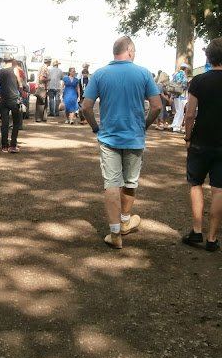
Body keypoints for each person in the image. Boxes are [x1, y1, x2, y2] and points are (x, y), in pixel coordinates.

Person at [81, 36, 161, 249]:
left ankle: (115, 233)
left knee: (112, 183)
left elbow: (86, 107)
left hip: (109, 137)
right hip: (134, 136)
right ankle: (125, 221)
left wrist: (95, 127)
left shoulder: (100, 74)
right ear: (130, 51)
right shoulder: (144, 73)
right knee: (130, 182)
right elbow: (157, 106)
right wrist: (145, 126)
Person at [182, 37, 222, 252]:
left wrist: (188, 137)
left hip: (200, 141)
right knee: (218, 190)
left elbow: (190, 114)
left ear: (208, 57)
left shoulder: (198, 81)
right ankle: (212, 238)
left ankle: (196, 231)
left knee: (196, 185)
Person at [0, 53, 24, 153]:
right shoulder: (15, 70)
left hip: (4, 99)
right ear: (12, 60)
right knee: (16, 122)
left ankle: (4, 145)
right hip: (13, 98)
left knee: (4, 123)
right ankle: (13, 145)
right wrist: (20, 92)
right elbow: (20, 84)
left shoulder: (0, 71)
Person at [170, 62, 190, 134]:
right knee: (180, 111)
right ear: (185, 68)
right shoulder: (184, 75)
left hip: (175, 94)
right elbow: (184, 84)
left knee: (178, 110)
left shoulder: (175, 74)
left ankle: (174, 125)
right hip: (182, 94)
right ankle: (177, 127)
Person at [35, 56, 51, 122]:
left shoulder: (42, 67)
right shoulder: (44, 68)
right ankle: (39, 118)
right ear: (49, 62)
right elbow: (41, 79)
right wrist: (48, 79)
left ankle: (43, 118)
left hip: (41, 87)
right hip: (42, 87)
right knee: (41, 103)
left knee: (44, 103)